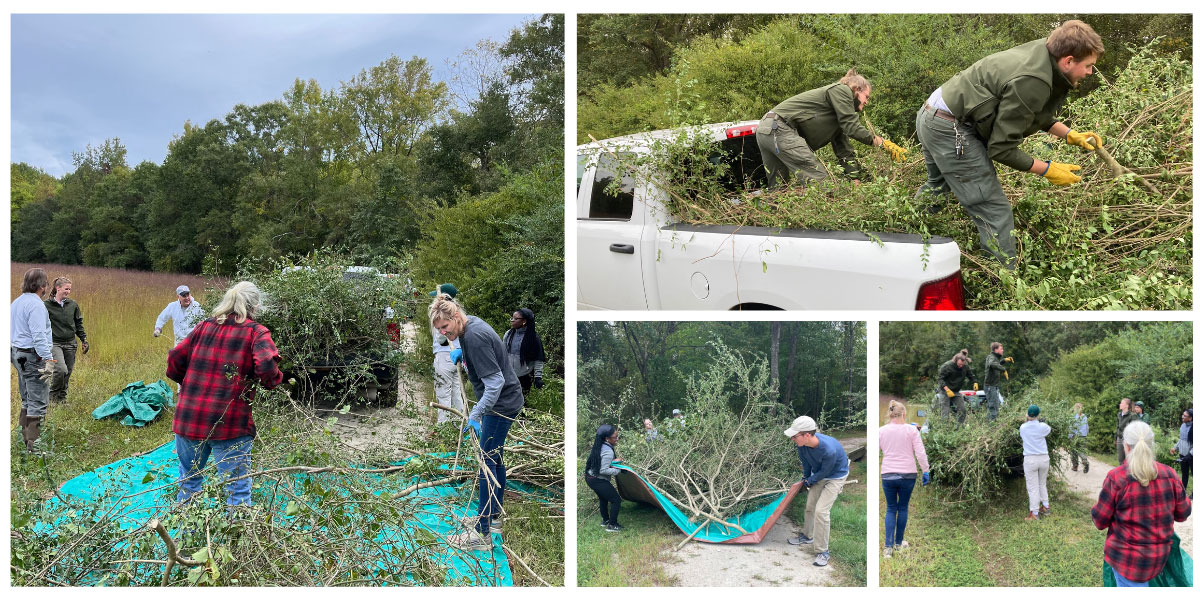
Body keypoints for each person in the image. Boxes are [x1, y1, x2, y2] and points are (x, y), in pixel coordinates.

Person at [915, 20, 1105, 268]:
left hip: (932, 115)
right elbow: (1001, 149)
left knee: (938, 185)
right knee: (995, 211)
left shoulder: (1044, 52)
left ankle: (905, 228)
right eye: (1088, 66)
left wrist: (1070, 134)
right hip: (950, 127)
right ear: (1068, 61)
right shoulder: (1034, 79)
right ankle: (1001, 287)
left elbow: (1031, 110)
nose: (1090, 72)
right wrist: (1048, 169)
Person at [167, 281, 283, 506]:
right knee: (237, 490)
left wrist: (191, 384)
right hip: (229, 424)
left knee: (189, 483)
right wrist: (273, 381)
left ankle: (184, 539)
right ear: (255, 306)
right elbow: (267, 366)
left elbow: (174, 359)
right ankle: (237, 539)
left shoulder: (203, 327)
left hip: (189, 419)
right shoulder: (256, 332)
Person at [429, 293, 525, 550]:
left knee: (486, 463)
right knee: (495, 458)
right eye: (439, 329)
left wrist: (476, 413)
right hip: (505, 400)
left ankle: (481, 534)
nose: (443, 333)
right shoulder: (469, 327)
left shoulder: (474, 336)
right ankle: (493, 516)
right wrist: (465, 358)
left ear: (456, 316)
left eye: (445, 327)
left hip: (500, 405)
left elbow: (495, 383)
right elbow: (486, 366)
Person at [755, 68, 907, 188]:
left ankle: (772, 225)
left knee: (779, 188)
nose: (867, 102)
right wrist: (880, 143)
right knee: (820, 180)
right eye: (866, 96)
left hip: (767, 130)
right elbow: (852, 126)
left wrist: (854, 178)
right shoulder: (842, 90)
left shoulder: (838, 116)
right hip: (778, 128)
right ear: (857, 89)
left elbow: (844, 150)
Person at [1092, 420, 1192, 586]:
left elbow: (1100, 521)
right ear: (1151, 445)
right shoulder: (1170, 474)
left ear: (1126, 446)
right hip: (1159, 558)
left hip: (1128, 562)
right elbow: (1183, 514)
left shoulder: (1117, 477)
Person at [784, 416, 850, 567]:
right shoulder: (801, 445)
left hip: (835, 476)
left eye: (795, 436)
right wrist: (805, 479)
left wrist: (811, 480)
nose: (793, 439)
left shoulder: (829, 450)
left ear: (807, 435)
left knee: (821, 512)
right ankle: (807, 536)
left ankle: (823, 551)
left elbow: (825, 471)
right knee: (810, 507)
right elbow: (806, 464)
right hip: (819, 474)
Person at [11, 268, 56, 454]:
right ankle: (35, 448)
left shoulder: (16, 302)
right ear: (42, 285)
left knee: (27, 399)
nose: (46, 287)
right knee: (37, 401)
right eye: (45, 283)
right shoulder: (36, 305)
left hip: (17, 353)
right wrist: (48, 359)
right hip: (31, 356)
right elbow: (38, 336)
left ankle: (24, 441)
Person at [878, 400, 930, 558]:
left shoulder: (880, 431)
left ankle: (888, 548)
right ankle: (899, 544)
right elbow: (920, 453)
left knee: (891, 508)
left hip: (888, 475)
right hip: (908, 475)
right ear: (904, 414)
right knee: (902, 508)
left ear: (890, 414)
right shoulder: (912, 430)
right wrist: (925, 470)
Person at [44, 276, 89, 405]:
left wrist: (84, 340)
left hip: (70, 343)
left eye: (69, 289)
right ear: (58, 288)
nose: (68, 291)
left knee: (67, 372)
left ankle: (62, 399)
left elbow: (78, 323)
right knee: (61, 370)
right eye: (66, 289)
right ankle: (52, 396)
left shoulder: (73, 305)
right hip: (54, 343)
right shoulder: (46, 306)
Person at [427, 284, 463, 424]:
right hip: (456, 356)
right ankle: (460, 423)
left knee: (443, 395)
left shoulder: (441, 316)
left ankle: (443, 428)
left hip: (444, 357)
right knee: (456, 392)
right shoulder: (456, 313)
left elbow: (442, 339)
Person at [584, 424, 625, 532]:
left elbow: (602, 461)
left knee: (603, 498)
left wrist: (613, 461)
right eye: (615, 437)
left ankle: (605, 520)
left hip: (590, 477)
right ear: (607, 438)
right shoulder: (608, 451)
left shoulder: (600, 445)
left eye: (617, 436)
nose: (617, 439)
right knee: (616, 500)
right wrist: (619, 471)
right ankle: (612, 525)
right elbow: (603, 470)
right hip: (597, 479)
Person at [502, 308, 546, 396]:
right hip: (509, 374)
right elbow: (503, 353)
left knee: (523, 400)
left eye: (515, 319)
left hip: (525, 376)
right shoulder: (508, 334)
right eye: (512, 318)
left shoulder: (533, 338)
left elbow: (538, 359)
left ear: (524, 321)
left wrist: (538, 377)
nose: (512, 321)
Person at [1020, 405, 1052, 520]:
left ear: (1027, 414)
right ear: (1038, 415)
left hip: (1031, 459)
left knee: (1033, 487)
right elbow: (1048, 430)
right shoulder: (1043, 426)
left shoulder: (1023, 427)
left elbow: (1024, 432)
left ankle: (1034, 513)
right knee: (1042, 483)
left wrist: (1028, 419)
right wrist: (1040, 422)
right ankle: (1046, 507)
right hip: (1044, 458)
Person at [935, 352, 977, 425]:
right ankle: (944, 429)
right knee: (945, 411)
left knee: (962, 410)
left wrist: (975, 382)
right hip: (945, 391)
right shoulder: (947, 366)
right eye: (960, 364)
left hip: (956, 391)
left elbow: (971, 375)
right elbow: (940, 379)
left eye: (962, 364)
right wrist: (947, 389)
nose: (961, 366)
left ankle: (959, 428)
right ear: (956, 360)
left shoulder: (965, 367)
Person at [982, 342, 1011, 421]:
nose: (1003, 350)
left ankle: (992, 423)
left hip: (993, 386)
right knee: (993, 406)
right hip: (990, 386)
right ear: (995, 350)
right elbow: (992, 364)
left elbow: (996, 363)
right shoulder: (991, 357)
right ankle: (991, 425)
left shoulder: (995, 357)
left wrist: (1004, 360)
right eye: (1001, 349)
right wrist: (1003, 369)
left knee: (996, 404)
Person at [1169, 408, 1192, 499]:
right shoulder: (1182, 426)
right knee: (1184, 473)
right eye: (1182, 415)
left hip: (1191, 455)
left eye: (1185, 416)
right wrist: (1175, 447)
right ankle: (1183, 490)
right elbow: (1181, 439)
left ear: (1190, 418)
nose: (1182, 417)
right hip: (1182, 454)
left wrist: (1190, 454)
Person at [1070, 402, 1090, 473]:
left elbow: (1071, 427)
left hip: (1075, 436)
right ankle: (1085, 461)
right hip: (1083, 436)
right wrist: (1086, 435)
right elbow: (1087, 427)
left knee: (1073, 451)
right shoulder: (1084, 417)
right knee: (1081, 450)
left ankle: (1075, 466)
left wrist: (1069, 436)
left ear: (1075, 408)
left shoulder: (1073, 417)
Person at [1116, 398, 1135, 464]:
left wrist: (1129, 440)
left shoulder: (1132, 416)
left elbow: (1134, 429)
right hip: (1119, 438)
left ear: (1126, 405)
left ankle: (1129, 473)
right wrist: (1116, 438)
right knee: (1120, 459)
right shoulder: (1119, 414)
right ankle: (1121, 473)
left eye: (1122, 403)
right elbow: (1117, 427)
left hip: (1128, 440)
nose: (1120, 404)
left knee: (1129, 459)